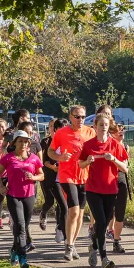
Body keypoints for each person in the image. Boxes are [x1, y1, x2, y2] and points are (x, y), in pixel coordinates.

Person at [79, 113, 129, 268]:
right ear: (95, 126)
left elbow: (125, 168)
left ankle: (93, 246)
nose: (103, 127)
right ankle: (104, 259)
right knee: (100, 222)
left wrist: (113, 159)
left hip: (110, 189)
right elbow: (80, 164)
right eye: (100, 125)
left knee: (104, 223)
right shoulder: (88, 145)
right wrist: (88, 161)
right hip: (93, 189)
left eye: (106, 125)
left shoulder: (115, 144)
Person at [48, 105, 96, 260]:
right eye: (77, 117)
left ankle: (72, 243)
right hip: (67, 175)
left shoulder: (90, 132)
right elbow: (50, 151)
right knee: (74, 210)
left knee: (80, 213)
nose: (80, 120)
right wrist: (59, 157)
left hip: (85, 176)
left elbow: (97, 149)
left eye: (83, 117)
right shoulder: (61, 133)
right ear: (70, 117)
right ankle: (68, 246)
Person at [0, 130, 45, 268]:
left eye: (26, 141)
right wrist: (1, 187)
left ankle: (14, 250)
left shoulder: (34, 158)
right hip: (13, 196)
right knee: (20, 226)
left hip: (29, 196)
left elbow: (42, 175)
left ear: (29, 144)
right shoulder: (8, 158)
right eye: (20, 141)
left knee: (23, 227)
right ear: (14, 142)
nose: (23, 144)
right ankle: (23, 258)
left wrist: (33, 177)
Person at [40, 119, 68, 243]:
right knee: (50, 201)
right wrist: (53, 167)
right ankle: (44, 214)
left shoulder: (68, 141)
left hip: (65, 177)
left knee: (62, 205)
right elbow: (43, 161)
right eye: (51, 126)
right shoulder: (46, 142)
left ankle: (60, 227)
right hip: (50, 176)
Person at [106, 123, 130, 253]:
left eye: (123, 130)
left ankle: (116, 242)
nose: (121, 132)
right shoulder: (107, 145)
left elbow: (125, 168)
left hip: (121, 181)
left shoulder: (125, 146)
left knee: (120, 214)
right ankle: (97, 239)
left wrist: (115, 160)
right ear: (111, 133)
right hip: (107, 181)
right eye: (118, 130)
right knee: (107, 213)